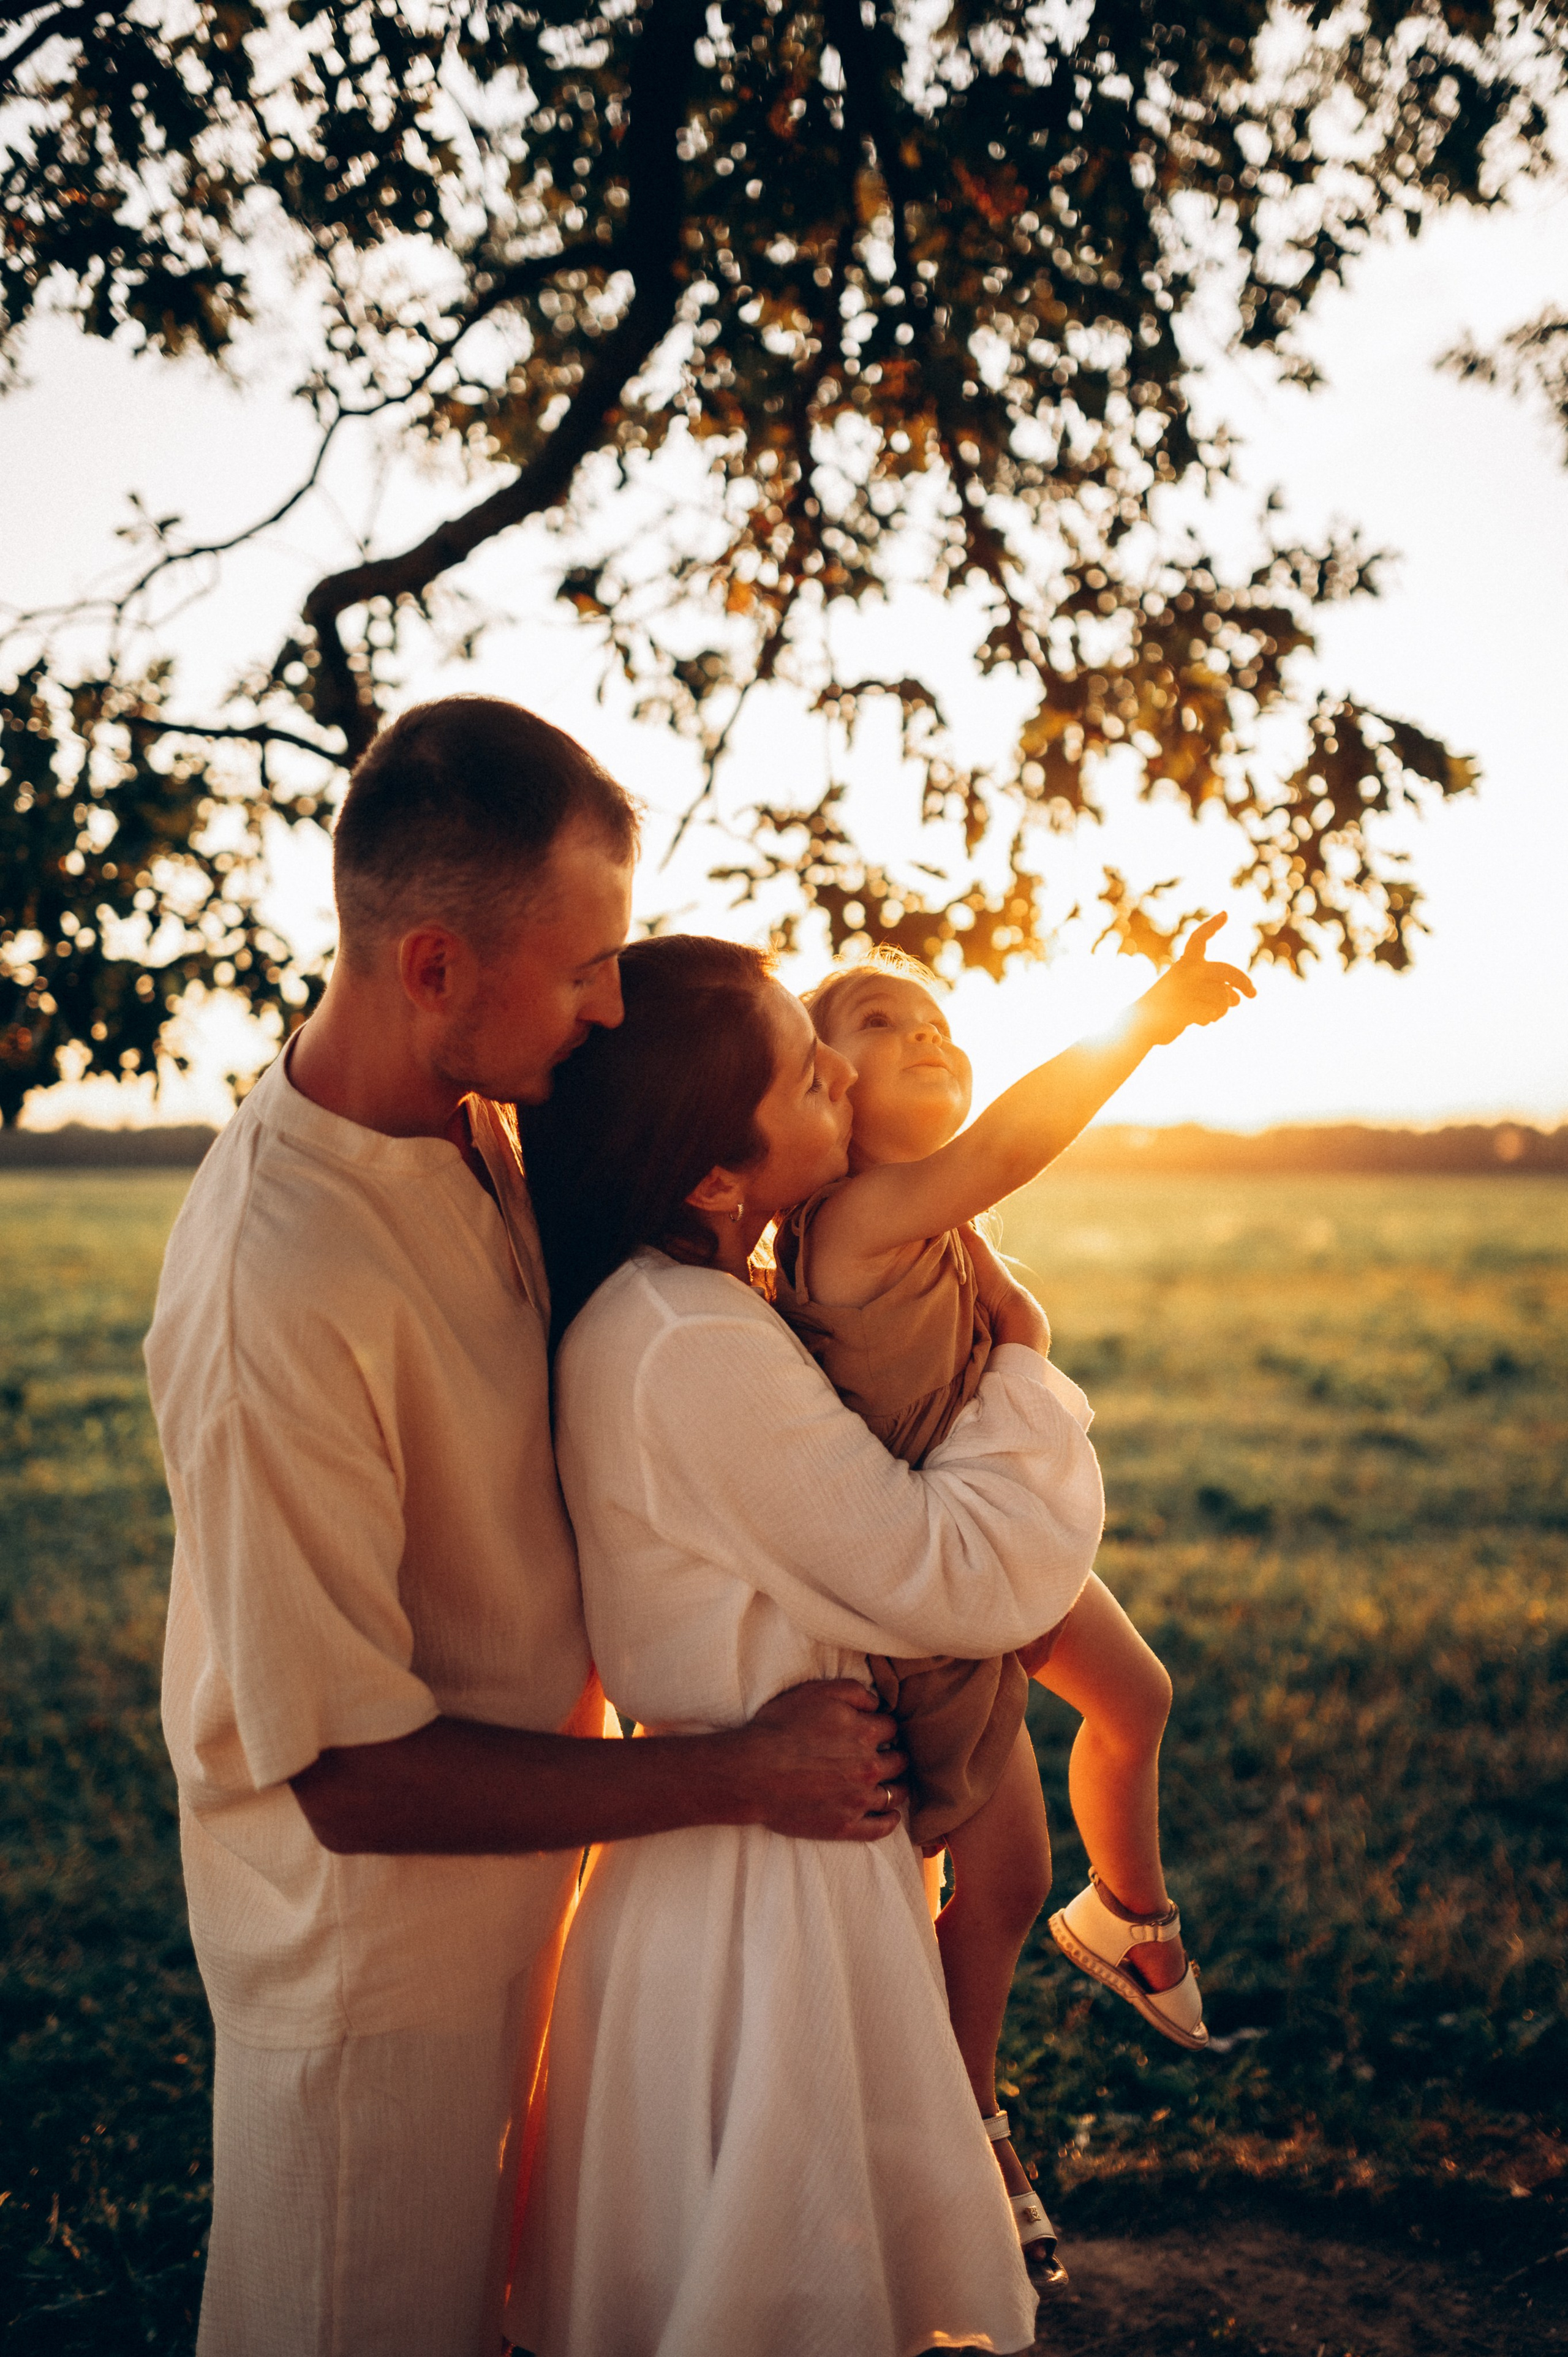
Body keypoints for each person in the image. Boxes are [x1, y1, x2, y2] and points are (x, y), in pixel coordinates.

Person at [146, 699, 908, 2357]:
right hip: (373, 1990)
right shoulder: (276, 1283)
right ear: (434, 965)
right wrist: (737, 1773)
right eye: (584, 971)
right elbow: (347, 1782)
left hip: (534, 1900)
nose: (611, 1006)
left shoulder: (485, 1129)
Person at [508, 933, 1109, 2357]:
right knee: (777, 2287)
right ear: (717, 1176)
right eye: (802, 1065)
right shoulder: (687, 1340)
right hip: (754, 1903)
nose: (839, 1066)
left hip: (784, 1851)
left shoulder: (705, 1312)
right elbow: (951, 1575)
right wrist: (1020, 1360)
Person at [775, 930, 1254, 2274]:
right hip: (927, 1595)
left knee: (1134, 1693)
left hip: (994, 1547)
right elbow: (1006, 1145)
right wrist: (1139, 1024)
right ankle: (965, 2120)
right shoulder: (856, 1219)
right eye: (880, 1022)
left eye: (937, 1018)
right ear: (821, 1087)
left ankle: (1126, 1916)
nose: (927, 1035)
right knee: (996, 1878)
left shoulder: (936, 1221)